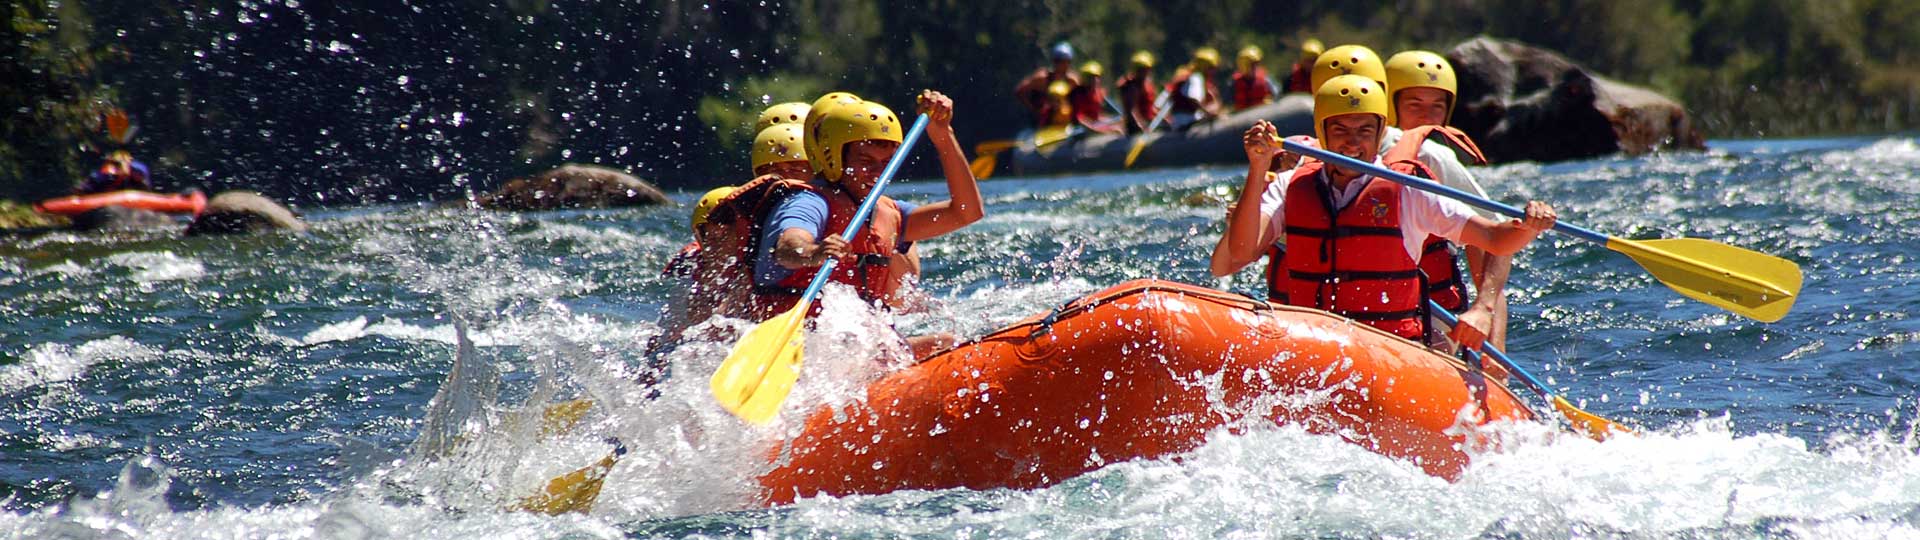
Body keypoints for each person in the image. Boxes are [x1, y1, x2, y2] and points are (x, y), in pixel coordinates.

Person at [1209, 74, 1557, 353]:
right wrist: (1257, 169)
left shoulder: (1408, 191)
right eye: (1341, 130)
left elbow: (1495, 238)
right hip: (1310, 345)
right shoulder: (1291, 185)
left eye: (1364, 131)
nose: (1352, 143)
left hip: (1389, 352)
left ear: (1380, 134)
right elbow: (1231, 260)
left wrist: (1529, 227)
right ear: (1322, 133)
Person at [749, 91, 984, 359]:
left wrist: (943, 135)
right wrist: (814, 252)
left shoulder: (889, 212)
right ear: (834, 157)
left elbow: (966, 212)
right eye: (865, 162)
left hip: (866, 349)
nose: (877, 172)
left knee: (949, 343)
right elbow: (788, 246)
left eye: (885, 163)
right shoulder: (809, 202)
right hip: (804, 351)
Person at [1383, 49, 1515, 351]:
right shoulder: (1346, 152)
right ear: (1390, 103)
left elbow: (1494, 240)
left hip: (1429, 320)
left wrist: (1487, 320)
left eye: (1437, 106)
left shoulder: (1436, 158)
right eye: (1415, 104)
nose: (1427, 117)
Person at [1014, 42, 1083, 127]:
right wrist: (1033, 109)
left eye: (1066, 61)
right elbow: (1019, 91)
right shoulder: (1042, 78)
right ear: (1054, 61)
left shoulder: (1073, 80)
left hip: (1064, 119)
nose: (1063, 64)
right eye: (1059, 61)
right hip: (1042, 120)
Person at [1166, 47, 1223, 131]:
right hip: (1186, 120)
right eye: (1211, 68)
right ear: (1205, 67)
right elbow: (1194, 99)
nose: (1214, 71)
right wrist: (1208, 113)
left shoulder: (1193, 76)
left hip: (1180, 120)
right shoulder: (1196, 77)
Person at [1115, 51, 1161, 134]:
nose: (1143, 72)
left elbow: (1151, 108)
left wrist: (1165, 119)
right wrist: (1141, 127)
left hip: (1150, 123)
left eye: (1145, 69)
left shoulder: (1148, 83)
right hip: (1135, 127)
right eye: (1140, 69)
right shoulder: (1131, 87)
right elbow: (1132, 111)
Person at [1069, 61, 1121, 134]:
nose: (1095, 80)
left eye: (1097, 77)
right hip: (1079, 129)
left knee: (1119, 127)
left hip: (1094, 125)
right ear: (1084, 78)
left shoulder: (1099, 93)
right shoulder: (1077, 94)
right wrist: (1098, 128)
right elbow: (1079, 119)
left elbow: (1097, 116)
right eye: (1091, 77)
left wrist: (1108, 122)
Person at [77, 150, 152, 195]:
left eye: (119, 164)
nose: (117, 167)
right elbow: (84, 188)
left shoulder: (137, 169)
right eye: (115, 164)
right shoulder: (105, 174)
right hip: (105, 197)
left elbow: (143, 179)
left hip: (134, 195)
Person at [1230, 46, 1279, 110]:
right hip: (1243, 116)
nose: (1255, 67)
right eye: (1252, 64)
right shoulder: (1234, 83)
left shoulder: (1265, 78)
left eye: (1256, 64)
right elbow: (1228, 103)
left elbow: (1276, 93)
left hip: (1264, 111)